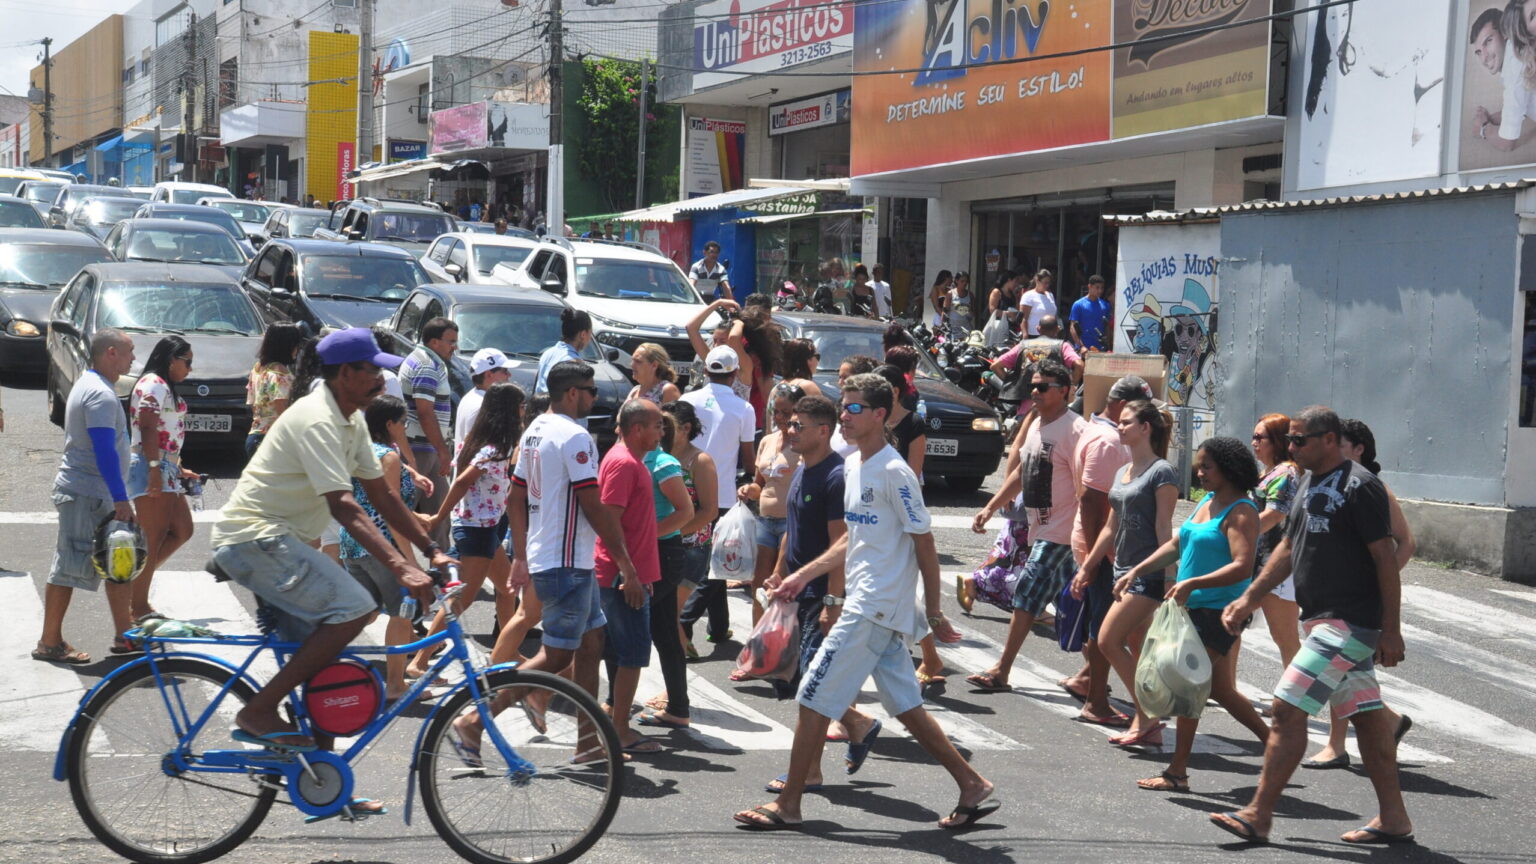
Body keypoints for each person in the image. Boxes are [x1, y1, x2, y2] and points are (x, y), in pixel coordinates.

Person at [735, 374, 994, 831]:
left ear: (880, 414)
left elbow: (925, 545)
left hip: (873, 605)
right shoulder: (853, 465)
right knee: (906, 705)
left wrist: (934, 612)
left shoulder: (894, 472)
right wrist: (801, 575)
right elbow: (852, 540)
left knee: (813, 696)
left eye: (855, 408)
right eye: (844, 407)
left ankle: (790, 804)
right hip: (867, 602)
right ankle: (971, 783)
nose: (846, 416)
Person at [210, 328, 446, 765]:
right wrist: (400, 567)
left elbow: (382, 496)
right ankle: (258, 711)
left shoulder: (351, 419)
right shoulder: (317, 418)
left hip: (280, 543)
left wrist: (431, 549)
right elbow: (344, 505)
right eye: (372, 370)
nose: (380, 380)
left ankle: (324, 775)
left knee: (326, 670)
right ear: (343, 374)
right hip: (256, 539)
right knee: (357, 608)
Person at [1211, 407, 1413, 846]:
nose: (1291, 447)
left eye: (1300, 440)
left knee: (1286, 709)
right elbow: (1287, 546)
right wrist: (1249, 595)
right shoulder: (1305, 481)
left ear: (1330, 439)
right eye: (1291, 440)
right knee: (1368, 719)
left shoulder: (1361, 486)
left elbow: (1385, 557)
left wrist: (1391, 628)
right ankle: (1395, 819)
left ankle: (1258, 815)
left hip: (1350, 624)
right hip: (1321, 618)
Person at [452, 361, 639, 763]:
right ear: (572, 392)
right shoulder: (575, 436)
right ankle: (474, 719)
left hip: (560, 558)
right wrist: (626, 564)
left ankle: (588, 743)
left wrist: (520, 555)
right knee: (556, 655)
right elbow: (593, 504)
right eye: (590, 390)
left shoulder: (535, 429)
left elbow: (515, 496)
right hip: (566, 561)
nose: (595, 397)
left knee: (591, 643)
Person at [1122, 436, 1268, 793]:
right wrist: (1137, 570)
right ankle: (1279, 743)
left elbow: (1242, 566)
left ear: (1229, 470)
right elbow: (1177, 543)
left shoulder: (1241, 511)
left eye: (1207, 466)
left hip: (1218, 611)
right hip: (1192, 609)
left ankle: (1177, 772)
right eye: (1198, 466)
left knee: (1189, 686)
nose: (1199, 472)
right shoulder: (1208, 500)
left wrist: (1192, 583)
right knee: (1219, 689)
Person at [760, 394, 880, 787]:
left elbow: (839, 546)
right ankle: (858, 723)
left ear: (824, 431)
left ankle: (810, 771)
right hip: (796, 592)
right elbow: (791, 530)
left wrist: (833, 602)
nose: (789, 430)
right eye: (790, 423)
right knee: (799, 680)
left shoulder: (835, 476)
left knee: (812, 686)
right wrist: (779, 574)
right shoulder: (801, 470)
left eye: (798, 425)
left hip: (819, 598)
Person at [964, 360, 1083, 692]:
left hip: (1061, 533)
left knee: (1027, 596)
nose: (1034, 391)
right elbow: (1022, 471)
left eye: (1042, 387)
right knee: (1075, 604)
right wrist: (989, 507)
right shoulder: (1036, 424)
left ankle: (1002, 670)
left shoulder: (1076, 431)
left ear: (1064, 392)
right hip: (1041, 529)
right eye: (1033, 385)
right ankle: (1094, 674)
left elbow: (1088, 486)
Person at [1304, 418, 1416, 770]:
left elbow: (1406, 542)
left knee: (1336, 673)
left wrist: (1376, 584)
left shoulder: (1371, 489)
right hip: (1329, 602)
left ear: (1358, 450)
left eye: (1340, 444)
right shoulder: (1329, 484)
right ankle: (1385, 725)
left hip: (1356, 606)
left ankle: (1338, 745)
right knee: (1351, 674)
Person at [1072, 399, 1178, 746]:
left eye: (1127, 423)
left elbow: (1165, 529)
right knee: (1134, 646)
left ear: (1145, 428)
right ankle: (1146, 722)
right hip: (1121, 570)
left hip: (1147, 572)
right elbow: (1109, 527)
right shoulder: (1123, 471)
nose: (1119, 427)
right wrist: (1087, 567)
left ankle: (1149, 714)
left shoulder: (1162, 472)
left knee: (1107, 640)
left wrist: (1171, 577)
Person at [34, 329, 136, 665]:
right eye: (128, 352)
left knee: (117, 561)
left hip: (92, 493)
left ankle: (126, 637)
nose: (133, 358)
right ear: (110, 352)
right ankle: (49, 642)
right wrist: (121, 498)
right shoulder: (101, 395)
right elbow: (104, 450)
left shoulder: (90, 384)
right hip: (87, 493)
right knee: (69, 567)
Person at [413, 382, 525, 679]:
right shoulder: (493, 450)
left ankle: (507, 651)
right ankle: (421, 660)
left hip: (483, 529)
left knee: (508, 589)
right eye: (521, 407)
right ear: (509, 412)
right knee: (461, 601)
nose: (524, 413)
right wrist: (438, 517)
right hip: (476, 531)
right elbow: (461, 482)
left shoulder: (480, 443)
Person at [594, 399, 678, 755]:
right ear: (637, 429)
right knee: (631, 655)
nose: (662, 431)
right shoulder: (625, 464)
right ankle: (620, 730)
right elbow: (609, 519)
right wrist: (629, 573)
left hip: (627, 573)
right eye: (657, 425)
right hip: (621, 576)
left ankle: (609, 721)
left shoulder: (632, 462)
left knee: (610, 651)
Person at [1058, 379, 1132, 724]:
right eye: (1135, 412)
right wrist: (1094, 556)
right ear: (1120, 405)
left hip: (1100, 542)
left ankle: (1088, 680)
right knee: (1105, 627)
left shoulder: (1099, 431)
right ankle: (1096, 702)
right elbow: (1092, 500)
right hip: (1101, 545)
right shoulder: (1108, 439)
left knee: (1104, 622)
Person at [339, 396, 420, 701]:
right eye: (404, 422)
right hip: (380, 546)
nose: (406, 427)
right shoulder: (388, 456)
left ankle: (318, 662)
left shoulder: (358, 450)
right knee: (401, 614)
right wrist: (410, 560)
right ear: (390, 424)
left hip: (353, 542)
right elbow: (390, 510)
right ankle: (396, 685)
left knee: (366, 613)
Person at [123, 336, 199, 649]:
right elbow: (148, 427)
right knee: (151, 539)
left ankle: (134, 592)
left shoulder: (161, 384)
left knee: (182, 530)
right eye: (187, 362)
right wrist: (155, 469)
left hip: (164, 467)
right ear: (171, 359)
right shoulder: (154, 383)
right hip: (151, 467)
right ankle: (136, 607)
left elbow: (164, 432)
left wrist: (176, 468)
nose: (190, 369)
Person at [678, 346, 758, 645]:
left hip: (685, 490)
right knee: (715, 564)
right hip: (722, 496)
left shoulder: (687, 400)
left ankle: (719, 626)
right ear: (735, 373)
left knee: (716, 561)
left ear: (706, 371)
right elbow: (748, 456)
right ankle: (683, 621)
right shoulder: (743, 408)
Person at [633, 411, 696, 729]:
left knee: (626, 626)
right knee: (665, 633)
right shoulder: (640, 460)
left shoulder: (663, 464)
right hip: (653, 553)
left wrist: (645, 536)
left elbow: (686, 512)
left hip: (661, 554)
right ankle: (678, 708)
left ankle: (613, 704)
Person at [734, 384, 802, 637]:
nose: (780, 418)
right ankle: (757, 645)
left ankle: (780, 647)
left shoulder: (801, 445)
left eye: (786, 412)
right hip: (764, 521)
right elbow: (759, 483)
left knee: (782, 586)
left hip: (791, 524)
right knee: (759, 586)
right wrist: (748, 490)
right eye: (776, 411)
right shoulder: (767, 441)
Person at [657, 399, 719, 666]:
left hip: (690, 549)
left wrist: (674, 533)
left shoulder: (700, 461)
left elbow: (709, 511)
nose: (662, 431)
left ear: (686, 428)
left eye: (668, 425)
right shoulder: (658, 454)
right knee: (664, 615)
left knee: (669, 615)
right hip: (663, 546)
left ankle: (676, 685)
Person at [400, 317, 458, 548]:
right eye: (450, 341)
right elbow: (425, 412)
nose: (454, 347)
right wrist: (443, 450)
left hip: (428, 447)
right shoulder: (426, 365)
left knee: (440, 512)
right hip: (420, 448)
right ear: (434, 342)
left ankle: (443, 569)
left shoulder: (428, 361)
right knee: (402, 511)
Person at [1251, 413, 1303, 672]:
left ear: (1278, 442)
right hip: (1262, 560)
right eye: (1253, 436)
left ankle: (1296, 703)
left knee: (1285, 638)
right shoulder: (1269, 471)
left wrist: (1237, 535)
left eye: (1260, 437)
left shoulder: (1286, 472)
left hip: (1278, 564)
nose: (1254, 442)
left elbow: (1275, 514)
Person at [1470, 3, 1536, 151]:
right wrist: (1491, 119)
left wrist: (1483, 128)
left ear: (1505, 32)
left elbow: (1506, 144)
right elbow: (1522, 105)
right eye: (1479, 51)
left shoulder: (1515, 67)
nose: (1484, 57)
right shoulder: (1517, 53)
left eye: (1488, 41)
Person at [245, 322, 303, 457]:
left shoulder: (258, 368)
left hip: (254, 436)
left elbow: (253, 404)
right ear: (287, 346)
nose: (297, 349)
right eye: (296, 344)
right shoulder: (280, 374)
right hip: (273, 440)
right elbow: (282, 410)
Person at [685, 298, 750, 401]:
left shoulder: (743, 366)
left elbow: (733, 338)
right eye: (714, 340)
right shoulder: (710, 358)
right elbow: (691, 327)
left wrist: (738, 322)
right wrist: (717, 303)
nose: (716, 345)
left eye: (722, 341)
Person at [455, 348, 516, 445]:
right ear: (488, 374)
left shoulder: (470, 397)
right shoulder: (485, 405)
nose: (509, 375)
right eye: (505, 371)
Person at [535, 308, 592, 395]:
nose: (590, 338)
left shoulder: (547, 353)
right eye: (590, 333)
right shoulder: (574, 363)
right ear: (583, 334)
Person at [1069, 275, 1112, 351]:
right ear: (1089, 286)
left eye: (1102, 288)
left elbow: (1107, 327)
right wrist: (1081, 346)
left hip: (1101, 349)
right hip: (1083, 349)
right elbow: (1073, 328)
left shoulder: (1106, 305)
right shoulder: (1078, 304)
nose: (1100, 291)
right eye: (1097, 287)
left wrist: (1108, 345)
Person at [984, 270, 1022, 347]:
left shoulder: (1012, 294)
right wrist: (1007, 313)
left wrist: (1017, 297)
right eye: (1015, 281)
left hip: (1009, 328)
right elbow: (992, 310)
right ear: (1009, 280)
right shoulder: (997, 292)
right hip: (996, 326)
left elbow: (1017, 309)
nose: (1016, 284)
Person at [1020, 270, 1057, 337]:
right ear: (1037, 281)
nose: (1047, 285)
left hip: (1050, 336)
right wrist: (1025, 335)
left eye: (1049, 283)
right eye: (1045, 283)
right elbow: (1023, 318)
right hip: (1034, 335)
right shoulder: (1028, 295)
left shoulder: (1050, 295)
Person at [942, 270, 975, 340]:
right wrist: (942, 327)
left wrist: (967, 310)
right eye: (962, 281)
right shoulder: (950, 294)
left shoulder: (970, 295)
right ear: (956, 281)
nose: (965, 283)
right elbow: (945, 311)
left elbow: (973, 314)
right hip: (953, 329)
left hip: (965, 329)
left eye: (966, 281)